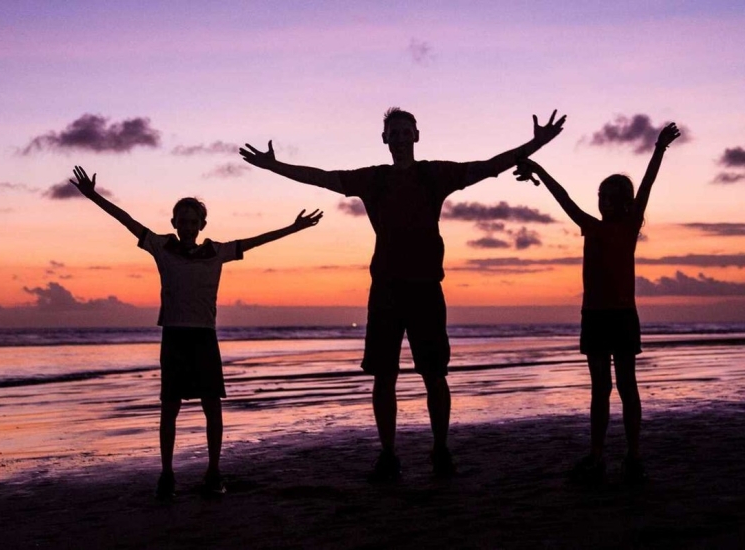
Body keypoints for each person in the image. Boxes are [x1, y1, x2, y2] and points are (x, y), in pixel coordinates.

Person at [240, 108, 566, 481]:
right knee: (383, 375)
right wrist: (274, 166)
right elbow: (322, 178)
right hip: (386, 290)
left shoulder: (433, 174)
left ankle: (441, 450)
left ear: (416, 135)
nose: (398, 137)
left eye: (404, 131)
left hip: (426, 286)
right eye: (392, 132)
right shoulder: (373, 179)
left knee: (434, 374)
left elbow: (488, 166)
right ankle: (389, 454)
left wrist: (536, 144)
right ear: (385, 139)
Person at [69, 165, 323, 498]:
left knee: (211, 406)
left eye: (194, 222)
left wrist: (293, 227)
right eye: (182, 221)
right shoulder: (161, 246)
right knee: (169, 407)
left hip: (204, 337)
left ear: (202, 225)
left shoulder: (216, 252)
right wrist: (93, 196)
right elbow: (127, 220)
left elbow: (256, 241)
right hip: (174, 336)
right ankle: (167, 475)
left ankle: (213, 471)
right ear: (174, 224)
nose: (188, 227)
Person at [513, 122, 681, 484]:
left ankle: (633, 456)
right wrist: (539, 169)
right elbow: (563, 199)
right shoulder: (591, 225)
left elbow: (648, 184)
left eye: (610, 197)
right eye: (602, 196)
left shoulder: (629, 224)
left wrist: (659, 148)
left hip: (620, 316)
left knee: (627, 387)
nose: (604, 202)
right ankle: (598, 456)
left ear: (623, 202)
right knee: (601, 389)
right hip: (595, 316)